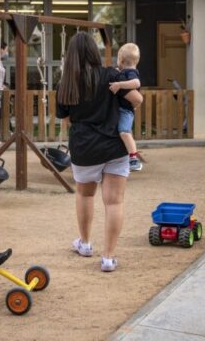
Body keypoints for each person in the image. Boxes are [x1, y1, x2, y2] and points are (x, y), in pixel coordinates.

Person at [56, 32, 142, 272]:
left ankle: (84, 244)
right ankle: (108, 257)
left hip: (84, 148)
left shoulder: (66, 83)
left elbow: (66, 120)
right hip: (114, 146)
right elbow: (136, 99)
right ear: (94, 52)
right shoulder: (111, 76)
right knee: (114, 202)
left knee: (85, 195)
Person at [108, 43, 142, 172]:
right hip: (123, 109)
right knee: (124, 132)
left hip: (126, 110)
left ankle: (134, 159)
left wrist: (120, 84)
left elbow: (136, 83)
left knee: (124, 132)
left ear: (120, 60)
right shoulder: (125, 72)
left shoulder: (131, 72)